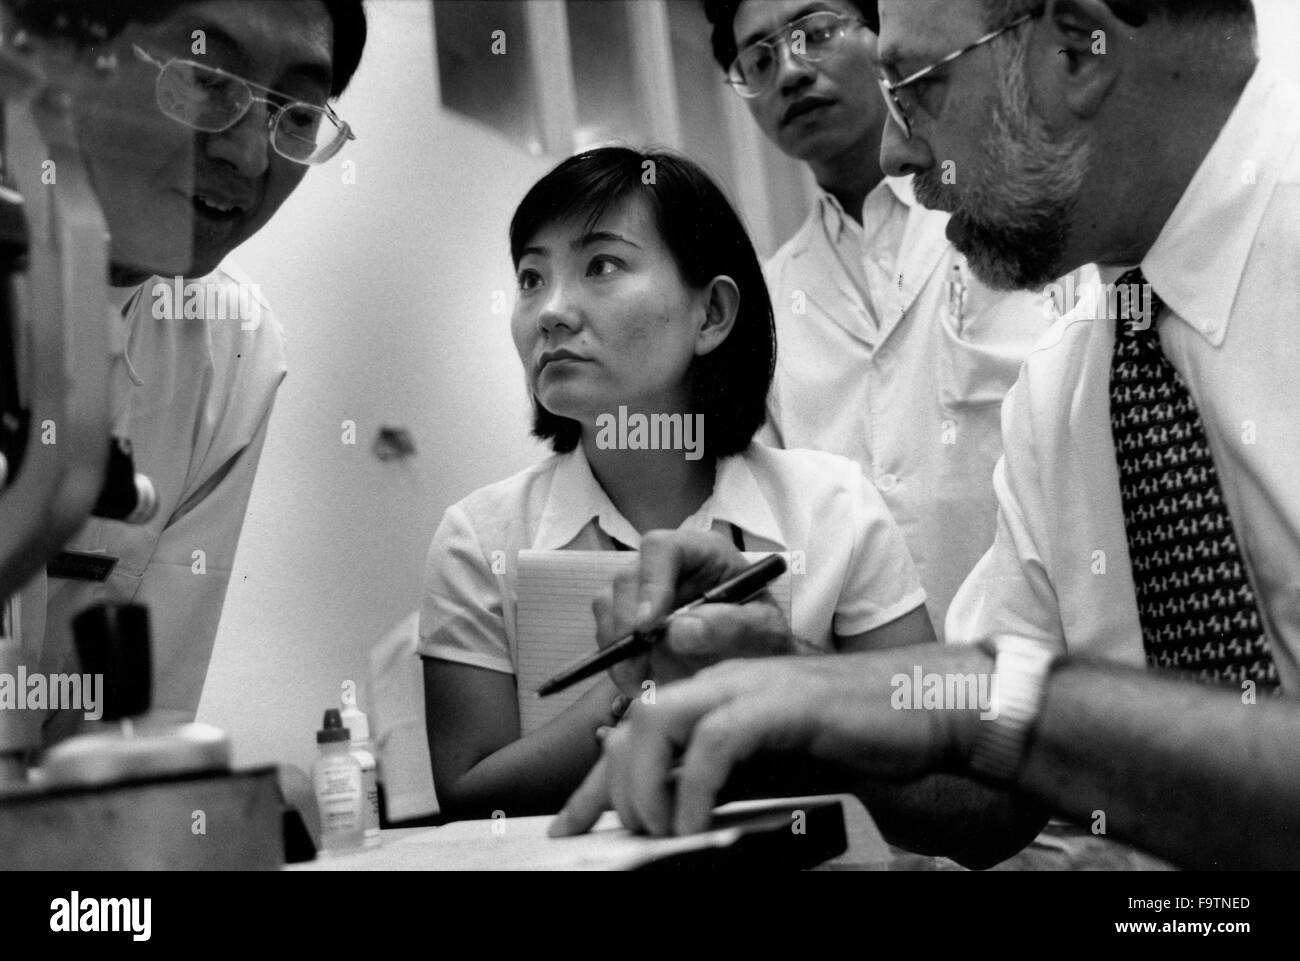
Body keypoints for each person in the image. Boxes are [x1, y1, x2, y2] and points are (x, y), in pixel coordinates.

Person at [551, 0, 1300, 871]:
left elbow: (993, 713)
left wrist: (991, 700)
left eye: (916, 87)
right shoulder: (1071, 380)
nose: (898, 155)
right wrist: (796, 682)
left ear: (1079, 49)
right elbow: (991, 789)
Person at [418, 147, 932, 820]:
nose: (551, 310)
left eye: (600, 265)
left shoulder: (835, 507)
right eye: (531, 278)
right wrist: (642, 686)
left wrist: (766, 669)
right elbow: (468, 796)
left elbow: (932, 744)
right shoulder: (478, 537)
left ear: (712, 314)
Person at [2, 0, 367, 742]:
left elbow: (133, 731)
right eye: (206, 78)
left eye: (297, 114)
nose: (249, 156)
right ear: (59, 55)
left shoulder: (233, 346)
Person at [703, 0, 1071, 640]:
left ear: (883, 38)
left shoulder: (1000, 212)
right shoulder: (763, 297)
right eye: (757, 60)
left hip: (1055, 656)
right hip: (876, 696)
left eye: (814, 34)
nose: (789, 72)